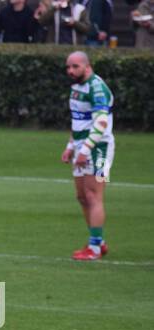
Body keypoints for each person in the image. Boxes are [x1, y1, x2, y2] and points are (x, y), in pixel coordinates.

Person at [62, 51, 113, 260]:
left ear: (87, 66)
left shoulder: (96, 87)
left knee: (94, 196)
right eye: (68, 67)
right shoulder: (76, 87)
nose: (70, 71)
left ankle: (93, 249)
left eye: (75, 67)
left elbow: (101, 123)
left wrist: (85, 150)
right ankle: (98, 242)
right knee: (82, 197)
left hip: (99, 148)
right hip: (82, 148)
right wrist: (70, 146)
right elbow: (77, 120)